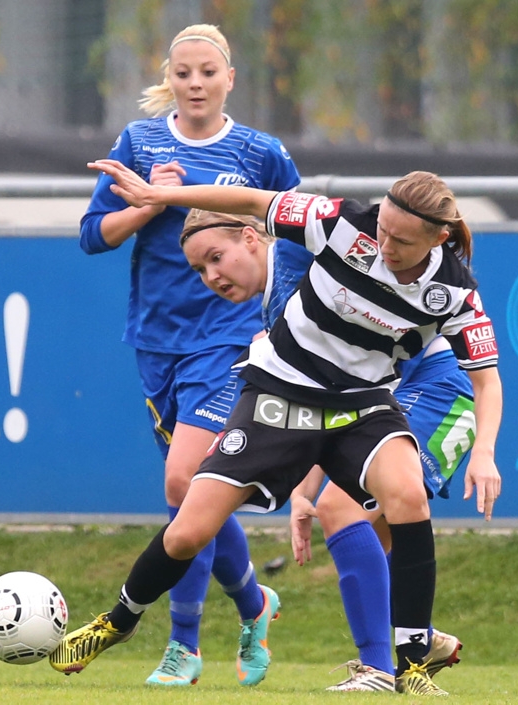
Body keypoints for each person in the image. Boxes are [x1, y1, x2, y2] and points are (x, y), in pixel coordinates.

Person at [53, 159, 503, 697]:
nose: (384, 246)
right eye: (382, 229)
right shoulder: (335, 222)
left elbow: (487, 381)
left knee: (406, 494)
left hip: (362, 405)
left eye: (401, 242)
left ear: (439, 237)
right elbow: (250, 201)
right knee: (189, 530)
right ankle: (117, 622)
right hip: (279, 393)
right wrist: (158, 196)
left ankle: (409, 664)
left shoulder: (455, 293)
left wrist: (485, 453)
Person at [176, 207, 493, 691]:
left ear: (253, 238)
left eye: (216, 258)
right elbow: (322, 410)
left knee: (341, 510)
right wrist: (301, 493)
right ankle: (415, 644)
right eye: (199, 268)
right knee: (369, 537)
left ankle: (379, 670)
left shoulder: (296, 261)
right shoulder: (278, 307)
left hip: (440, 393)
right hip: (385, 400)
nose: (211, 276)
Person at [77, 24, 301, 687]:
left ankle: (184, 646)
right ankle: (255, 603)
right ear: (168, 79)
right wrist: (151, 203)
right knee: (197, 494)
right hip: (157, 342)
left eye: (208, 71)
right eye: (183, 73)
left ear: (230, 77)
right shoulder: (138, 144)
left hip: (229, 339)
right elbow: (94, 236)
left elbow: (296, 225)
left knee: (184, 482)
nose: (196, 83)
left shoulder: (260, 151)